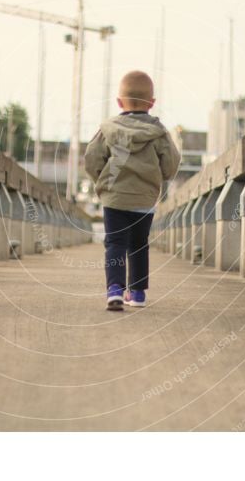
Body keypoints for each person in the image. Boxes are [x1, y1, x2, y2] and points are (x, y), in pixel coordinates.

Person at [84, 70, 181, 310]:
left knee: (115, 243)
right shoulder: (158, 132)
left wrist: (102, 183)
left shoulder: (108, 129)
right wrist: (162, 177)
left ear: (119, 102)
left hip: (115, 198)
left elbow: (92, 159)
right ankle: (137, 294)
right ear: (152, 103)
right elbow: (171, 162)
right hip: (144, 199)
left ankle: (115, 289)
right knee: (139, 244)